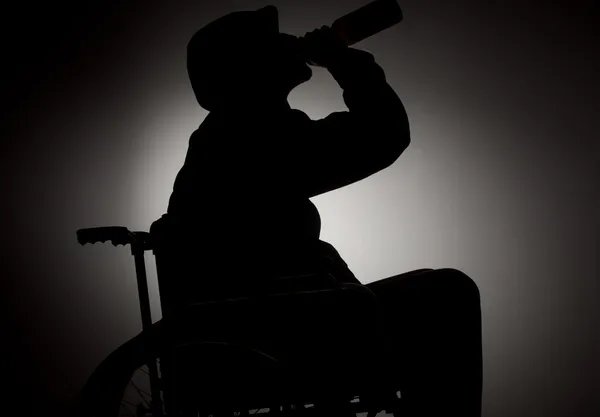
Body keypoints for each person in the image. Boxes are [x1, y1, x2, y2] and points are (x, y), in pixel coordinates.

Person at [71, 5, 482, 417]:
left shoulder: (231, 133)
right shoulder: (250, 133)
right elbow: (383, 135)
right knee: (447, 292)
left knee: (429, 287)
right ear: (250, 65)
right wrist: (341, 60)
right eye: (276, 41)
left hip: (270, 314)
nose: (291, 43)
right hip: (268, 325)